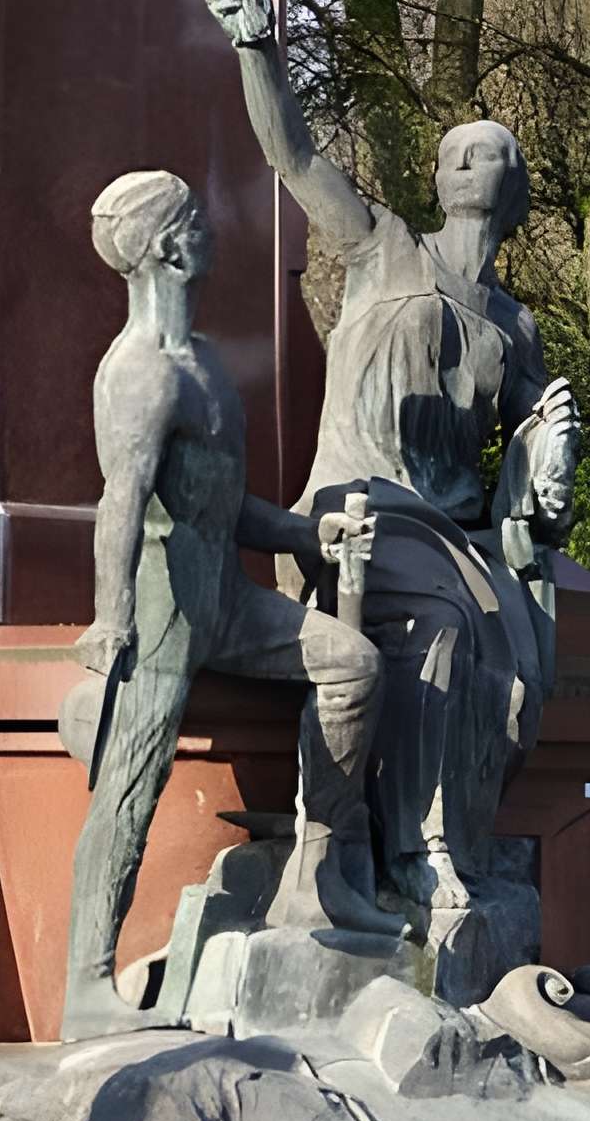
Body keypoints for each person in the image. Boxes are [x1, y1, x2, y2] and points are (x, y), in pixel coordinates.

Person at [203, 0, 582, 909]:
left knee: (506, 664)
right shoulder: (382, 249)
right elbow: (293, 157)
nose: (462, 157)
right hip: (357, 509)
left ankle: (445, 838)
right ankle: (420, 844)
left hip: (455, 537)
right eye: (453, 149)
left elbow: (536, 464)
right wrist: (258, 46)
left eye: (484, 149)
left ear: (514, 186)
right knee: (446, 627)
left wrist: (552, 450)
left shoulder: (515, 327)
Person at [61, 169, 397, 1042]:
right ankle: (86, 985)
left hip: (230, 602)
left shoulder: (206, 365)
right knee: (129, 792)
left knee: (352, 664)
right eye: (196, 221)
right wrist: (110, 623)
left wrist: (303, 538)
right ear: (170, 247)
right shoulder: (138, 377)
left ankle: (315, 874)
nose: (213, 229)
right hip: (163, 615)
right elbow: (121, 507)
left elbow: (222, 507)